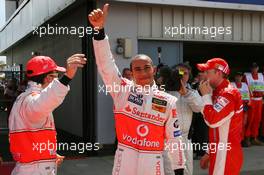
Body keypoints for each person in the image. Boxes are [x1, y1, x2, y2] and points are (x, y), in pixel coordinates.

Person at [89, 4, 184, 175]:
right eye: (137, 69)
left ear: (153, 69)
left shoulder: (168, 101)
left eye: (146, 68)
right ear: (131, 73)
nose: (143, 73)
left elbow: (174, 138)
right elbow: (105, 64)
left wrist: (179, 169)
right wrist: (99, 31)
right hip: (125, 158)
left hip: (153, 160)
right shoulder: (121, 90)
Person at [9, 55, 87, 175]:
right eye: (55, 76)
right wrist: (66, 78)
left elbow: (31, 136)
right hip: (34, 170)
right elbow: (43, 102)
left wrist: (48, 153)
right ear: (48, 78)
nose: (56, 80)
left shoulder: (23, 99)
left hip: (32, 167)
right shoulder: (31, 100)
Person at [197, 58, 243, 175]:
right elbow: (215, 130)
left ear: (218, 73)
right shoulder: (217, 91)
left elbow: (212, 120)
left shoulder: (228, 94)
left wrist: (206, 96)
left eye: (207, 72)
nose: (204, 75)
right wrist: (209, 152)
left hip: (226, 154)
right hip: (219, 150)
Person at [162, 63, 204, 175]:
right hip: (169, 140)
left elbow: (199, 108)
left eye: (185, 73)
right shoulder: (165, 91)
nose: (182, 75)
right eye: (179, 72)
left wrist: (186, 93)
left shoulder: (192, 92)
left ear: (189, 76)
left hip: (185, 139)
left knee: (187, 171)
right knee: (170, 171)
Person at [243, 62, 264, 145]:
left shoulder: (262, 76)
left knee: (257, 119)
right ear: (250, 69)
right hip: (251, 100)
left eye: (255, 68)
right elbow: (244, 88)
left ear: (258, 68)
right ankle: (247, 137)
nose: (254, 69)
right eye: (252, 68)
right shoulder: (246, 77)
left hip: (259, 101)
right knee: (250, 119)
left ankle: (254, 137)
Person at [231, 72, 251, 147]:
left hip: (244, 107)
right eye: (237, 76)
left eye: (239, 76)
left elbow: (248, 97)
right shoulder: (231, 85)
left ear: (242, 77)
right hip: (235, 108)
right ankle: (235, 140)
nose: (238, 78)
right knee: (235, 125)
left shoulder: (245, 85)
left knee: (243, 124)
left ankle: (241, 140)